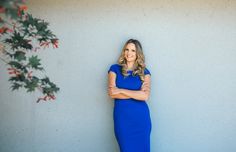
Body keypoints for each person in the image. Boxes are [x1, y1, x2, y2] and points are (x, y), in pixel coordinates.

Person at [107, 39, 152, 152]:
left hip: (141, 119)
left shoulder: (145, 72)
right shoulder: (114, 69)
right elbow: (112, 93)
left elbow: (145, 96)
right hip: (122, 118)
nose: (129, 53)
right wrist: (136, 94)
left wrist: (121, 90)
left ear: (138, 54)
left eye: (133, 50)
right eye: (127, 49)